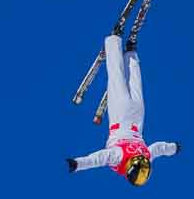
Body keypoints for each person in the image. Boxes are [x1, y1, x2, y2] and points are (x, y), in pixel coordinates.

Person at [66, 32, 178, 186]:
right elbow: (159, 148)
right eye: (146, 169)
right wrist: (173, 148)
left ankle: (114, 41)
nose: (145, 165)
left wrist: (77, 164)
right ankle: (130, 53)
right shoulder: (145, 155)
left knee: (118, 78)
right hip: (136, 118)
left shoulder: (119, 158)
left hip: (123, 116)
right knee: (133, 82)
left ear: (131, 169)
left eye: (142, 169)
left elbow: (99, 158)